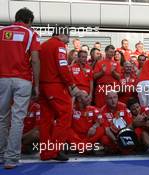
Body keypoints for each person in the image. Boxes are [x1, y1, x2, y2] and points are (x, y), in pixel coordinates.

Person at [39, 26, 87, 161]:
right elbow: (63, 67)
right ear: (61, 34)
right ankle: (53, 151)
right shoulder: (59, 45)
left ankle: (45, 153)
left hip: (43, 86)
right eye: (68, 36)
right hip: (55, 86)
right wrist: (72, 85)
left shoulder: (43, 45)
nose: (69, 39)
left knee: (45, 120)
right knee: (65, 115)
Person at [0, 7, 40, 169]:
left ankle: (2, 154)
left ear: (16, 18)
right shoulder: (31, 34)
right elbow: (36, 60)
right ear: (29, 21)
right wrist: (36, 84)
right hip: (22, 80)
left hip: (3, 79)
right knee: (17, 119)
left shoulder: (2, 32)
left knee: (2, 117)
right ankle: (11, 158)